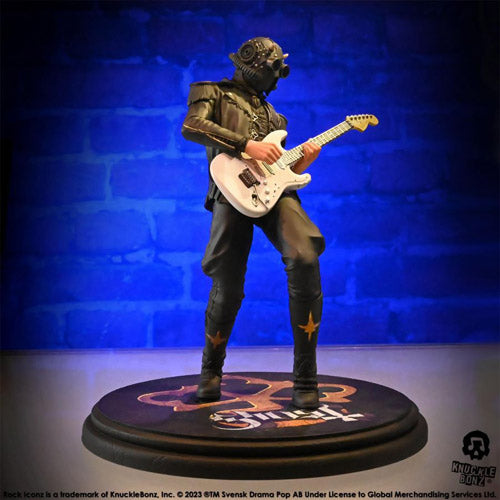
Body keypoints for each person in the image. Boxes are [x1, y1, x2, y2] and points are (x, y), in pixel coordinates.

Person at [181, 37, 324, 409]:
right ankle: (210, 372)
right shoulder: (212, 91)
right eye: (274, 69)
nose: (278, 78)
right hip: (231, 191)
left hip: (274, 194)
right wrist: (246, 145)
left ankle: (305, 378)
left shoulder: (276, 118)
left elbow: (280, 171)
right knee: (227, 282)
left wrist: (302, 162)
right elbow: (192, 126)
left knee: (305, 256)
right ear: (255, 66)